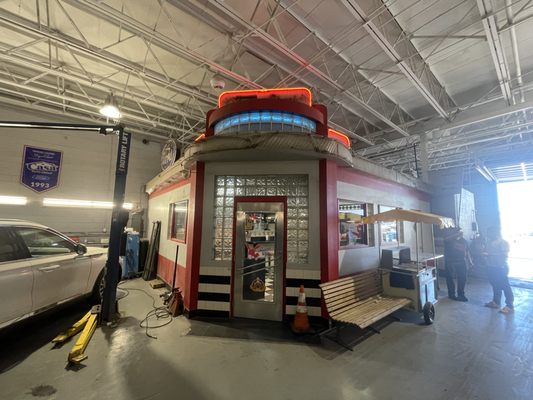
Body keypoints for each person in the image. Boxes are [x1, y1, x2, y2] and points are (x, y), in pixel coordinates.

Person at [483, 227, 514, 314]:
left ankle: (509, 306)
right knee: (495, 285)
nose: (488, 235)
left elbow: (504, 255)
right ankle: (496, 302)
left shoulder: (503, 243)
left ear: (495, 233)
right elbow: (486, 252)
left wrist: (489, 255)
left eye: (489, 233)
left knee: (505, 286)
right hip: (491, 267)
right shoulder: (488, 243)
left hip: (501, 267)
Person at [443, 227, 471, 301]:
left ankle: (461, 294)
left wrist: (470, 262)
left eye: (461, 232)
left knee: (463, 278)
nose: (461, 233)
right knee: (450, 278)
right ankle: (451, 294)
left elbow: (467, 252)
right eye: (459, 232)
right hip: (450, 261)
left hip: (462, 261)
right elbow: (445, 240)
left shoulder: (464, 241)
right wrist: (456, 235)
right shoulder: (449, 240)